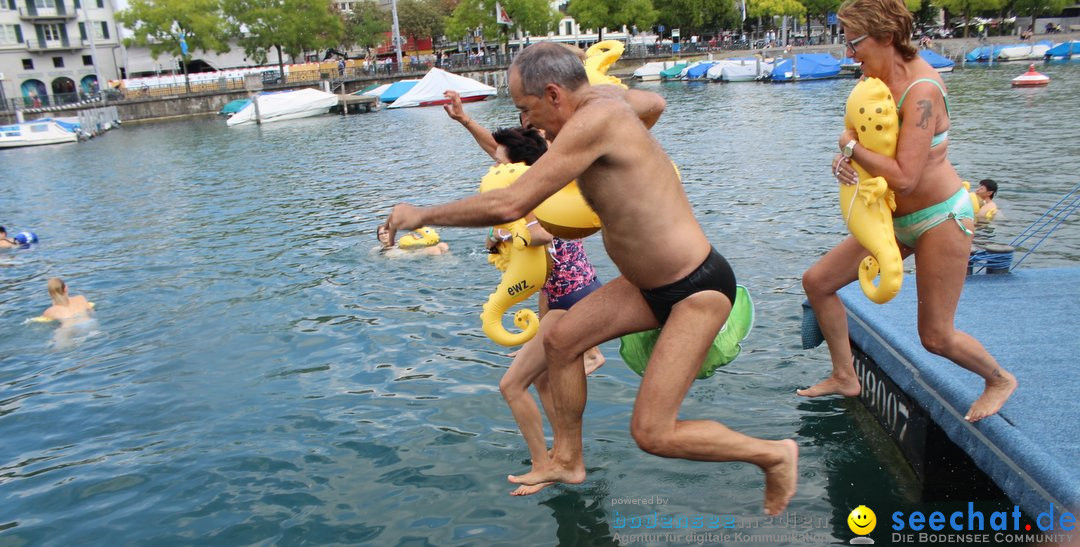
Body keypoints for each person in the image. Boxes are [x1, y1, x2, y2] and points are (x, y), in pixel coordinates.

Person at [385, 42, 798, 515]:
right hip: (646, 286)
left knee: (653, 433)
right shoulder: (605, 106)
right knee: (560, 341)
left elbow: (509, 205)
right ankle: (567, 460)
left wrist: (421, 214)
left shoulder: (594, 121)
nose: (525, 124)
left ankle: (772, 454)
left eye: (526, 108)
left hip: (695, 289)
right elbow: (655, 103)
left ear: (555, 94)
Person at [801, 0, 1016, 423]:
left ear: (885, 36)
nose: (849, 53)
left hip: (941, 218)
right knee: (818, 282)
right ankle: (845, 375)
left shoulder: (923, 92)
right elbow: (866, 141)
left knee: (936, 337)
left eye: (853, 42)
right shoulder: (873, 80)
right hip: (893, 220)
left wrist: (848, 147)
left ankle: (999, 379)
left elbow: (903, 176)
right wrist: (845, 159)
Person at [444, 90, 606, 496]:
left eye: (501, 164)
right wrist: (465, 121)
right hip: (561, 300)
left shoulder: (550, 191)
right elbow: (499, 150)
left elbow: (551, 231)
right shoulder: (526, 186)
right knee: (540, 382)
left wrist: (509, 234)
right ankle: (562, 456)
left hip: (577, 300)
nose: (494, 167)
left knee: (511, 385)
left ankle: (543, 466)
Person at [376, 224, 449, 256]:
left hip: (413, 250)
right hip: (410, 255)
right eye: (381, 234)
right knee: (434, 250)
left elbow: (411, 241)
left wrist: (417, 238)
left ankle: (451, 262)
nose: (383, 235)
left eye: (386, 232)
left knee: (443, 245)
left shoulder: (400, 241)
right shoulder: (378, 249)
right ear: (378, 237)